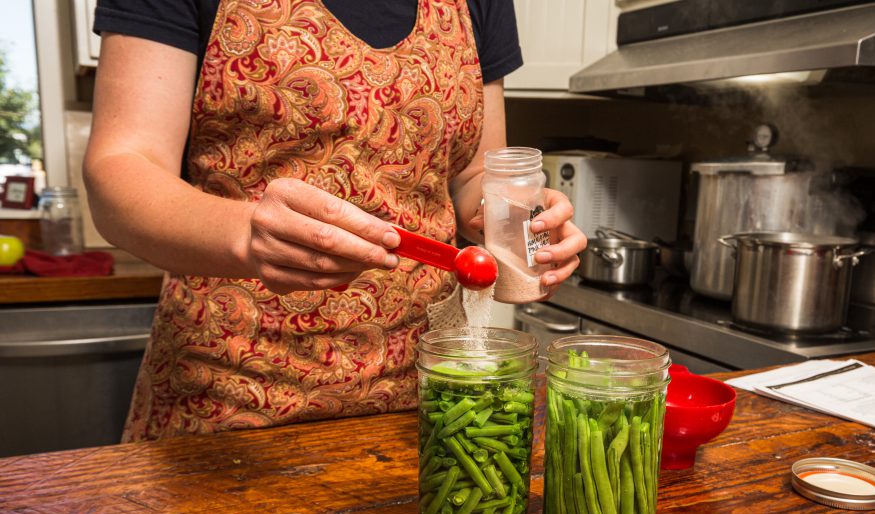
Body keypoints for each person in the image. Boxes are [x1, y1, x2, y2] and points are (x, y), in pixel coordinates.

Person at [85, 0, 586, 441]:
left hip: (425, 397)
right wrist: (246, 234)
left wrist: (522, 215)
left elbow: (474, 172)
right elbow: (122, 169)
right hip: (227, 400)